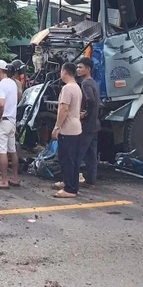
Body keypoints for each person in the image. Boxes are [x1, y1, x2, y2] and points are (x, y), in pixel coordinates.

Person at [52, 62, 84, 198]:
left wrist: (57, 127)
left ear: (64, 72)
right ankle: (70, 183)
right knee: (72, 159)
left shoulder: (67, 89)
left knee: (67, 159)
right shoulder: (76, 87)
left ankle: (70, 189)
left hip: (68, 128)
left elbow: (64, 109)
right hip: (76, 126)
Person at [0, 60, 21, 189]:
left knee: (2, 151)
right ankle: (15, 178)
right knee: (12, 150)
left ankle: (4, 180)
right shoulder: (12, 83)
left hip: (3, 120)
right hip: (12, 120)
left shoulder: (2, 85)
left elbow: (1, 103)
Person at [76, 57, 101, 188]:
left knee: (79, 153)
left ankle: (72, 181)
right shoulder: (94, 83)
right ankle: (91, 181)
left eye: (80, 67)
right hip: (95, 125)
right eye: (77, 67)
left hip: (87, 125)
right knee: (91, 155)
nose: (78, 70)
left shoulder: (85, 84)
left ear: (88, 69)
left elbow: (90, 100)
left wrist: (85, 114)